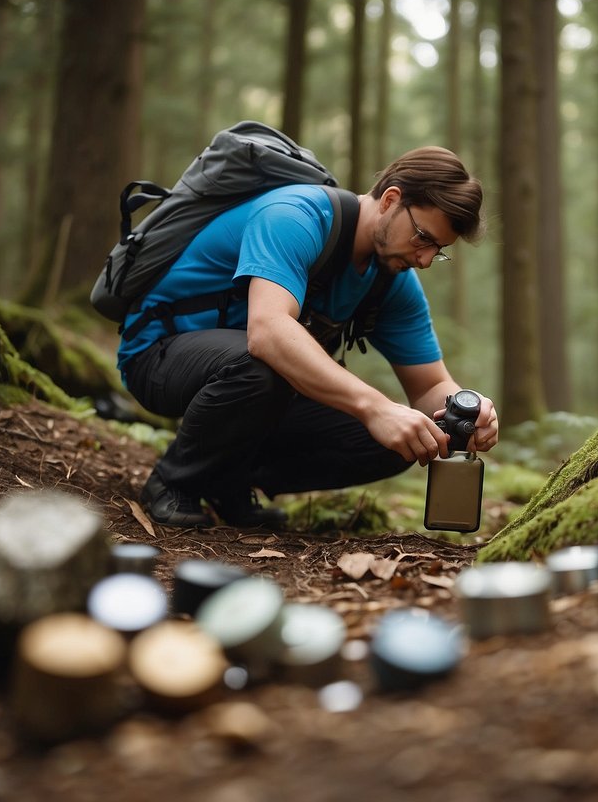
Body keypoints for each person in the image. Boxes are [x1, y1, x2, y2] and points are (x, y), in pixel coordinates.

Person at [119, 145, 500, 528]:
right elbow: (266, 333)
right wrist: (373, 406)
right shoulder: (296, 216)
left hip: (252, 384)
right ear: (390, 200)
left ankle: (226, 481)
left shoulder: (392, 281)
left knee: (407, 437)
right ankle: (172, 482)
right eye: (422, 237)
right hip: (157, 355)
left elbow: (430, 384)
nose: (425, 259)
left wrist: (465, 410)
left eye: (439, 250)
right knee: (263, 366)